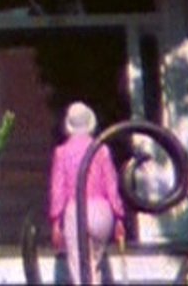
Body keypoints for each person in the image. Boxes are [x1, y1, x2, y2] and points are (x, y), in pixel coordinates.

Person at [48, 102, 125, 285]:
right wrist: (119, 217)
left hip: (77, 211)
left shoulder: (62, 153)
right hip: (102, 212)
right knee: (94, 265)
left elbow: (58, 190)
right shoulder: (102, 150)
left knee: (80, 271)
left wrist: (55, 222)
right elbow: (111, 185)